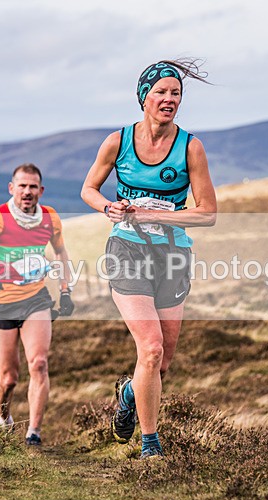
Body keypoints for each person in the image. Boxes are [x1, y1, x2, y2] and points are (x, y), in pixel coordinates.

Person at [81, 59, 216, 459]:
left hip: (173, 253)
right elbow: (89, 188)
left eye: (176, 93)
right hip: (127, 249)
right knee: (151, 347)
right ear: (144, 97)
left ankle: (127, 393)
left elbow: (208, 213)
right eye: (161, 92)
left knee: (162, 362)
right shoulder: (117, 141)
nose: (169, 100)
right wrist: (109, 208)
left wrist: (157, 213)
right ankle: (150, 445)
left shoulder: (190, 146)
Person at [0, 163, 74, 446]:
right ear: (12, 188)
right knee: (8, 379)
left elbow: (61, 254)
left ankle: (33, 433)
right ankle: (3, 416)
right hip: (1, 304)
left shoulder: (50, 218)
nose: (27, 191)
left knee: (40, 364)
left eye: (33, 186)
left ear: (41, 191)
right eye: (21, 186)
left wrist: (66, 291)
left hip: (36, 301)